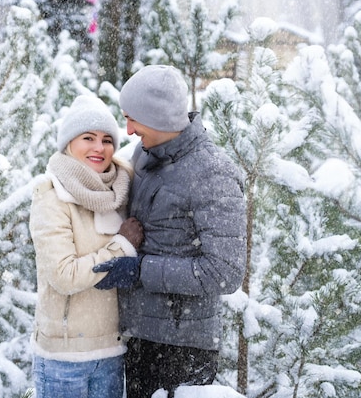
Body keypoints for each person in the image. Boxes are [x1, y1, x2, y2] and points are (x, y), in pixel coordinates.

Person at [93, 65, 247, 398]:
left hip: (182, 349)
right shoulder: (145, 155)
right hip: (138, 335)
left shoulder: (212, 174)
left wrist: (141, 271)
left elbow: (226, 272)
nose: (129, 130)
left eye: (134, 119)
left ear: (160, 119)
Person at [29, 94, 144, 398]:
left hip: (111, 351)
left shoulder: (120, 190)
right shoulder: (52, 196)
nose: (99, 147)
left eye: (108, 139)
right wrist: (120, 247)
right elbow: (63, 275)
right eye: (88, 138)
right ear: (69, 143)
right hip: (63, 359)